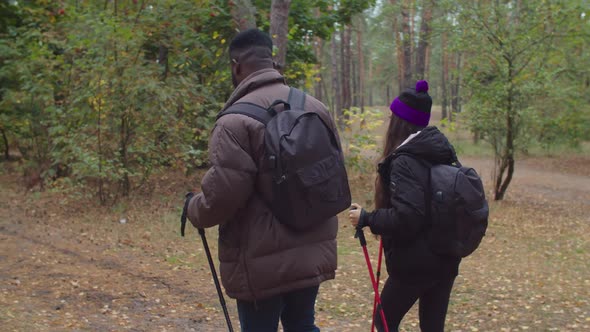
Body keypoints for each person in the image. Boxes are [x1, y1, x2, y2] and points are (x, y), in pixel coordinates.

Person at [186, 28, 341, 332]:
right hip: (311, 251)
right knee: (302, 326)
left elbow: (222, 197)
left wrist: (194, 208)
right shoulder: (314, 107)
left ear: (236, 65)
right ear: (270, 59)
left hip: (261, 265)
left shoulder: (233, 122)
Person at [348, 80, 461, 332]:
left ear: (400, 122)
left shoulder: (406, 160)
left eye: (392, 116)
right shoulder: (440, 151)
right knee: (432, 328)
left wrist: (368, 218)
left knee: (383, 321)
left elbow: (408, 217)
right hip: (446, 257)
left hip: (416, 263)